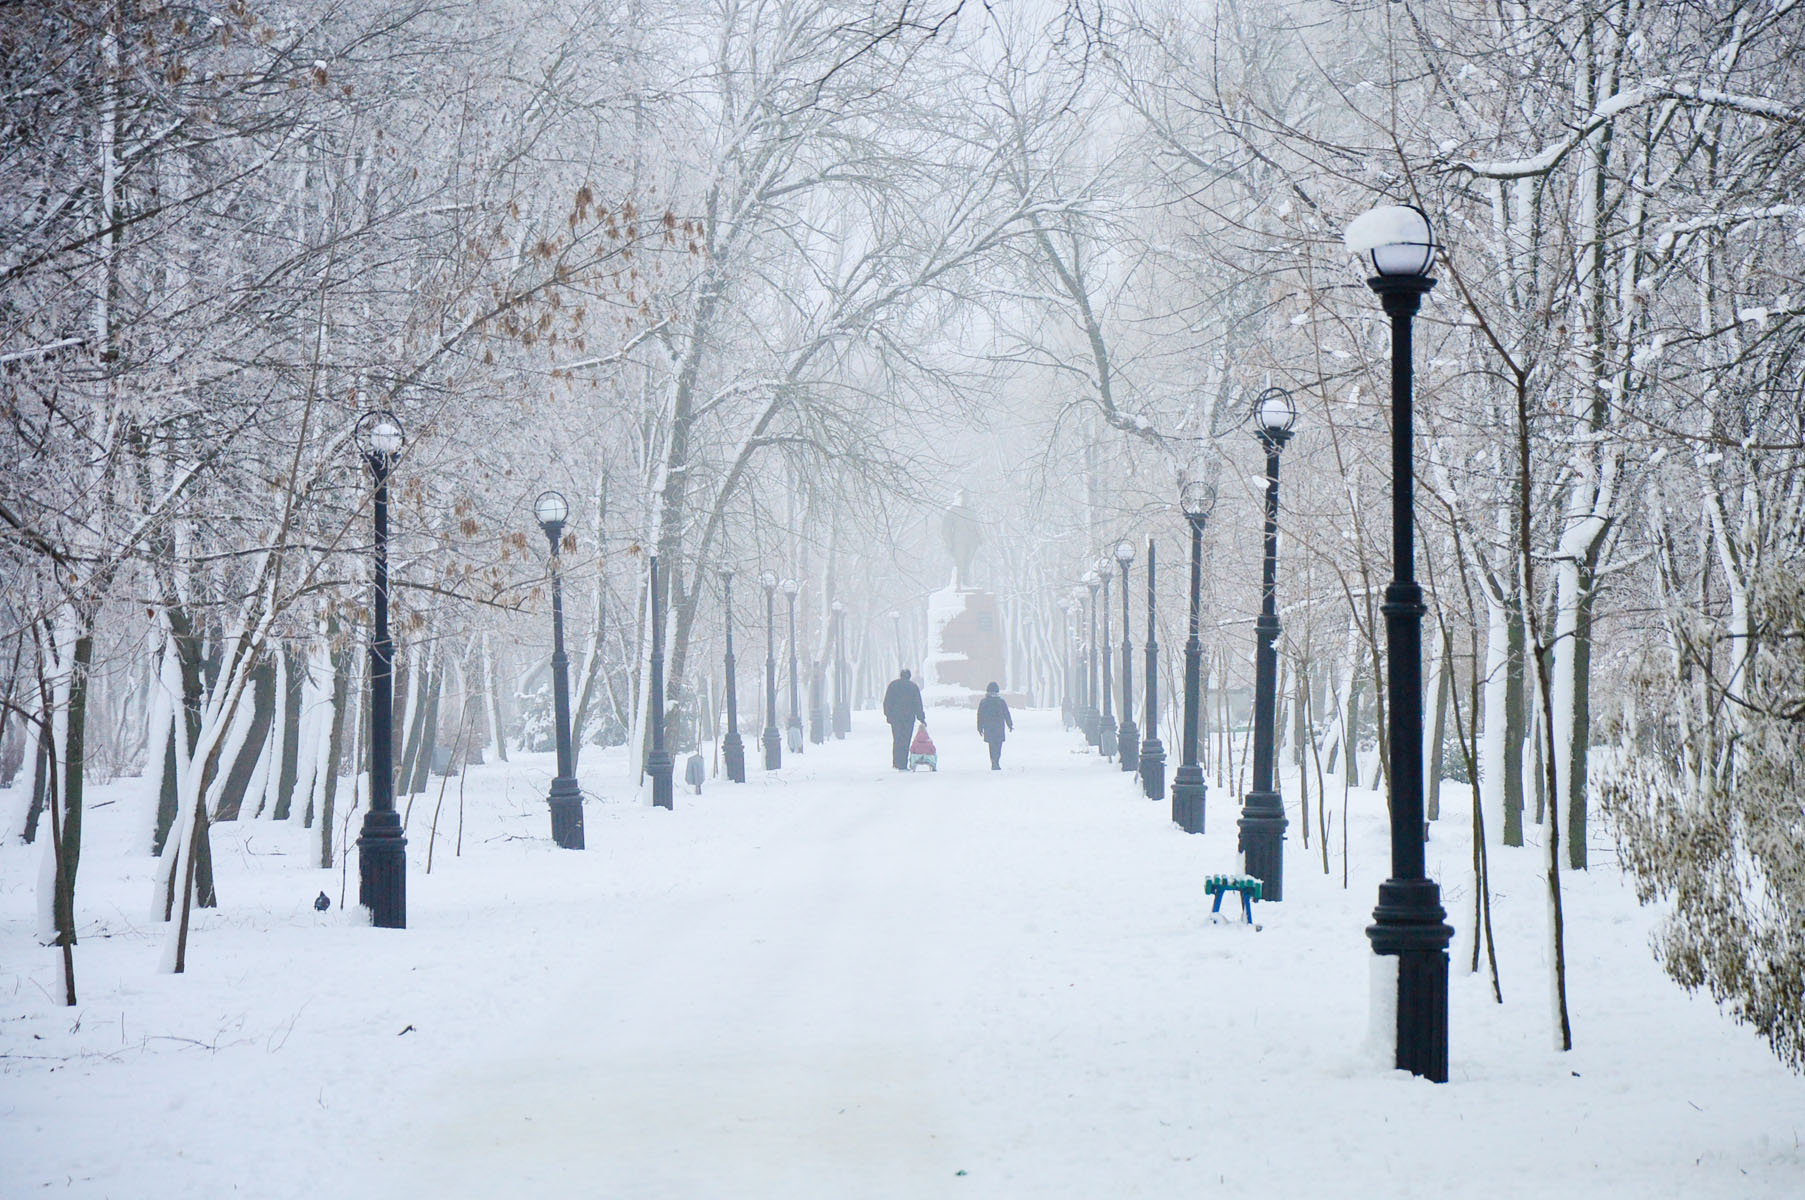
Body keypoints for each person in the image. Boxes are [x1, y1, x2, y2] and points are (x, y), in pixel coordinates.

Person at [882, 668, 926, 771]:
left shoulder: (892, 686)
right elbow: (917, 704)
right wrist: (921, 718)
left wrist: (888, 715)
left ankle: (896, 762)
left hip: (895, 718)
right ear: (909, 676)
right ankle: (902, 764)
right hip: (908, 718)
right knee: (905, 740)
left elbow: (887, 702)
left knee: (897, 739)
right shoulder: (913, 687)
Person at [976, 681, 1013, 770]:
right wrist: (1009, 724)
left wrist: (980, 727)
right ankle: (996, 761)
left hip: (989, 728)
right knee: (998, 745)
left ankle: (993, 761)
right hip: (999, 728)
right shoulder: (1001, 702)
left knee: (991, 746)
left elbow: (980, 715)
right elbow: (1006, 714)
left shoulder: (984, 702)